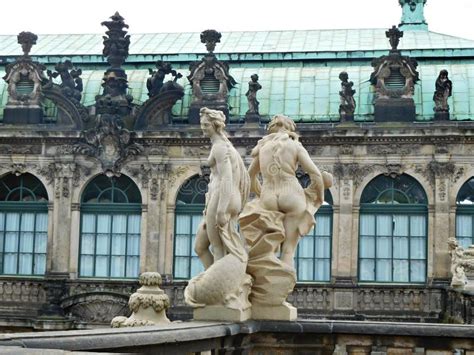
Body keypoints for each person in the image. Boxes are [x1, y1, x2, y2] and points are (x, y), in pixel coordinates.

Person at [247, 114, 331, 267]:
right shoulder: (295, 146)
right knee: (288, 251)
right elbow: (315, 174)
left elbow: (250, 176)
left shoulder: (262, 148)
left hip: (268, 197)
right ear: (289, 128)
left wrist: (260, 193)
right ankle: (284, 288)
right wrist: (318, 198)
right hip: (292, 194)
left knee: (268, 250)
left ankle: (269, 286)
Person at [194, 107, 250, 267]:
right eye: (202, 124)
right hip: (218, 197)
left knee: (219, 249)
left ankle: (221, 288)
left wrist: (221, 210)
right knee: (200, 246)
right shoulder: (222, 145)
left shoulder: (220, 147)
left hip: (222, 198)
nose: (203, 128)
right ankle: (212, 282)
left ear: (216, 125)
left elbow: (227, 178)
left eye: (206, 125)